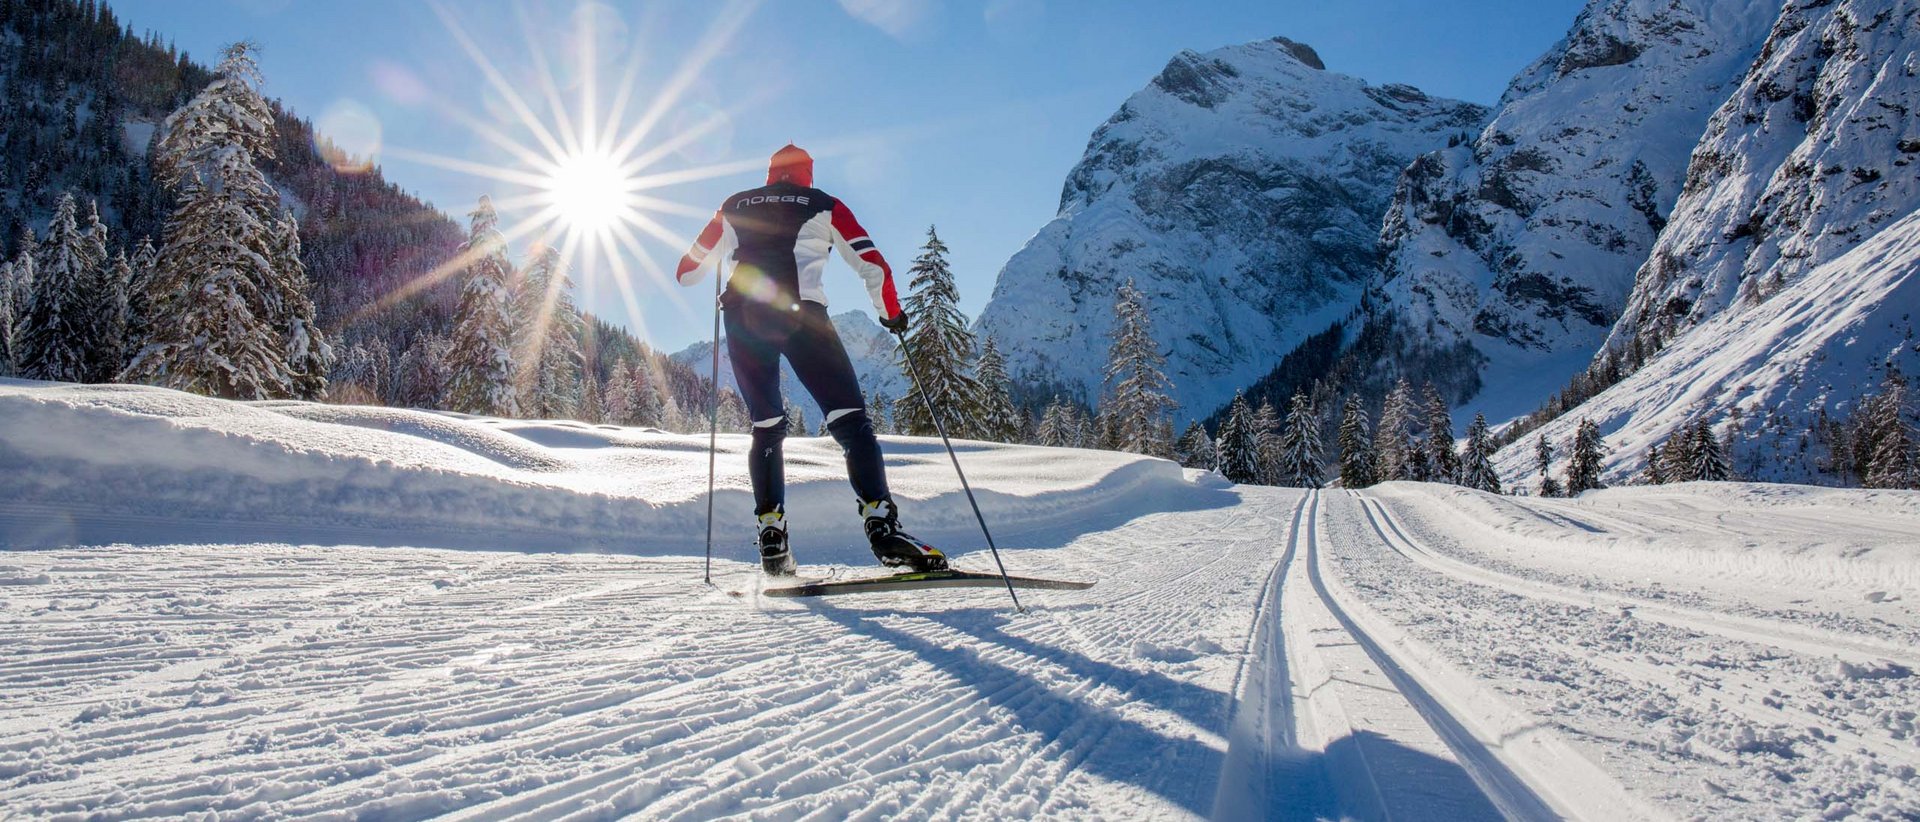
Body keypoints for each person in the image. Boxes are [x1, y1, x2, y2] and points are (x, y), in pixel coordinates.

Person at [676, 144, 947, 577]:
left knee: (765, 427)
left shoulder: (733, 205)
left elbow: (687, 272)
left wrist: (724, 257)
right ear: (807, 174)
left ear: (769, 174)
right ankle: (882, 527)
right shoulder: (824, 204)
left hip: (743, 320)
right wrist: (891, 315)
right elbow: (872, 265)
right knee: (852, 422)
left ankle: (771, 535)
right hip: (803, 318)